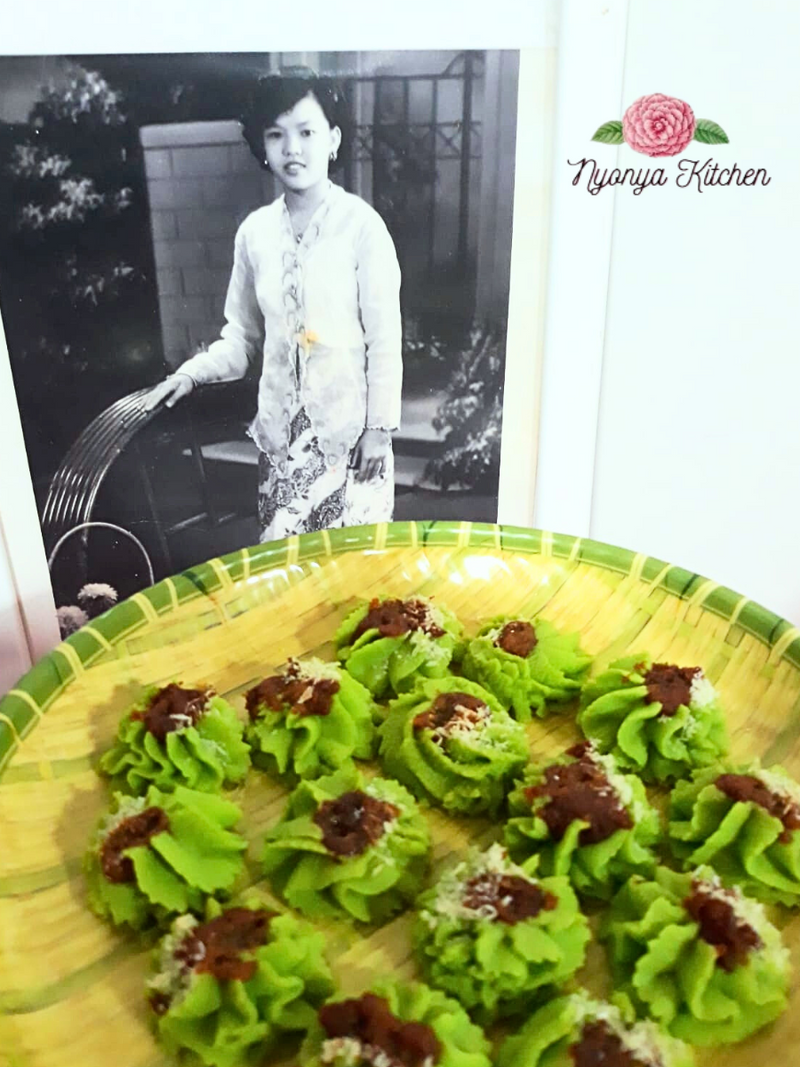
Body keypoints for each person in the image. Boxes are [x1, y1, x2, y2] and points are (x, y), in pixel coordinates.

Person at [145, 72, 402, 541]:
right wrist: (191, 374)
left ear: (333, 140)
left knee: (353, 573)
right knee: (285, 573)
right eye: (276, 134)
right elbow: (240, 338)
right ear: (262, 146)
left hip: (351, 441)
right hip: (282, 447)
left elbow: (384, 339)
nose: (292, 149)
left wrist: (379, 429)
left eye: (306, 132)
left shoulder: (362, 227)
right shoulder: (255, 234)